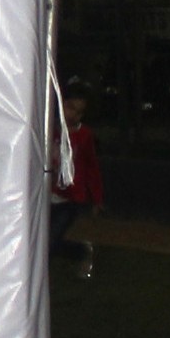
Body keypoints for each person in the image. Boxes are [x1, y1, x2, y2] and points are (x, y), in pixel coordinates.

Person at [51, 86, 102, 278]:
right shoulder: (49, 129)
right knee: (44, 239)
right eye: (70, 107)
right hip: (47, 195)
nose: (73, 115)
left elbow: (91, 167)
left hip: (69, 199)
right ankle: (79, 250)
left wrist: (96, 198)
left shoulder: (84, 135)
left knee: (51, 240)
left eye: (79, 112)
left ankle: (81, 251)